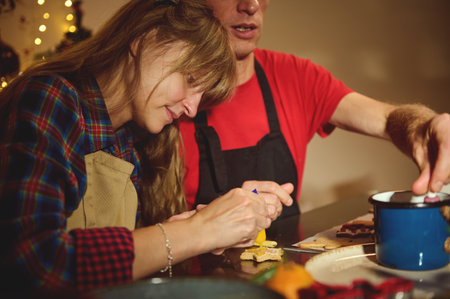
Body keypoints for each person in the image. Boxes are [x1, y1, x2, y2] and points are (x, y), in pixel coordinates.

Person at [0, 0, 273, 295]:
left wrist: (207, 227)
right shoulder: (51, 98)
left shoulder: (136, 138)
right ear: (145, 41)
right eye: (190, 78)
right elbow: (33, 261)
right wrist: (192, 233)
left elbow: (120, 259)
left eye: (202, 94)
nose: (193, 109)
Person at [179, 0, 450, 220]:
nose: (251, 5)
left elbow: (389, 118)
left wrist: (422, 127)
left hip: (284, 275)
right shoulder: (169, 97)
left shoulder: (295, 76)